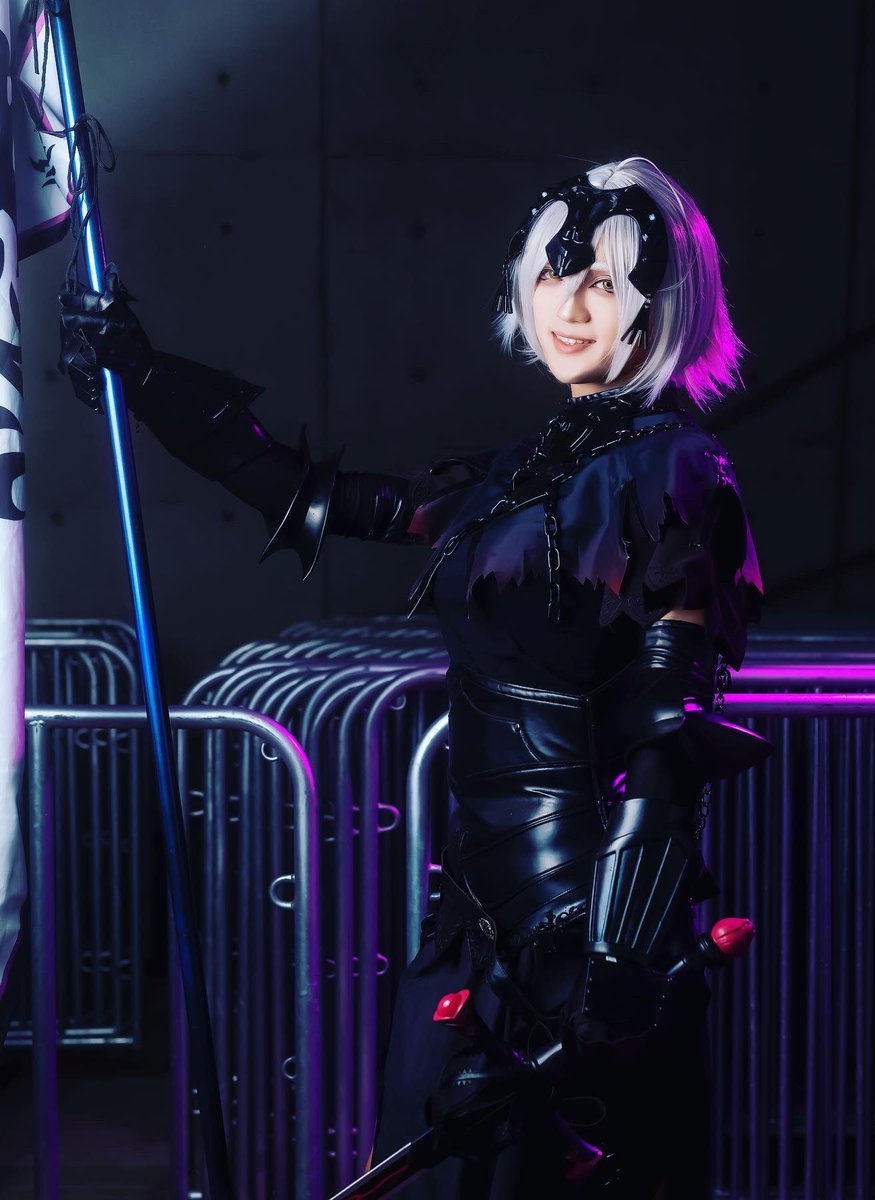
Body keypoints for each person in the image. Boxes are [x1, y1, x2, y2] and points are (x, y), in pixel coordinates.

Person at [59, 154, 770, 1198]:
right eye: (555, 272)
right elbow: (318, 497)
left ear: (665, 306)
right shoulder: (528, 468)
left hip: (590, 926)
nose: (570, 306)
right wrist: (145, 374)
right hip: (478, 915)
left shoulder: (676, 468)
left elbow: (669, 734)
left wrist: (614, 970)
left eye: (607, 282)